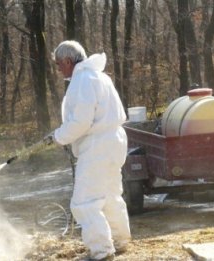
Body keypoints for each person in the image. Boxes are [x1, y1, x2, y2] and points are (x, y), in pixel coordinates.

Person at [45, 40, 131, 261]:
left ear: (67, 60)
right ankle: (121, 240)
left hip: (97, 145)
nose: (58, 69)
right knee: (110, 195)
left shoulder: (82, 80)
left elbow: (81, 121)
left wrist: (58, 137)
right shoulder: (99, 76)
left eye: (58, 64)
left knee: (84, 202)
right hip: (114, 141)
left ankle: (101, 251)